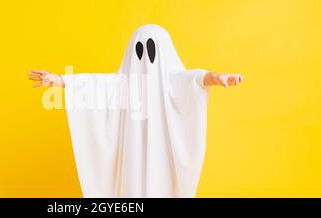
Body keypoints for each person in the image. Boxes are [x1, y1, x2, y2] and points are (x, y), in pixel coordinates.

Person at [28, 24, 243, 198]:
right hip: (131, 159)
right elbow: (94, 84)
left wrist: (218, 78)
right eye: (139, 50)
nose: (145, 60)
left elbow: (196, 78)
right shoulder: (124, 84)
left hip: (163, 161)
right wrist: (59, 80)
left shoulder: (173, 81)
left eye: (151, 50)